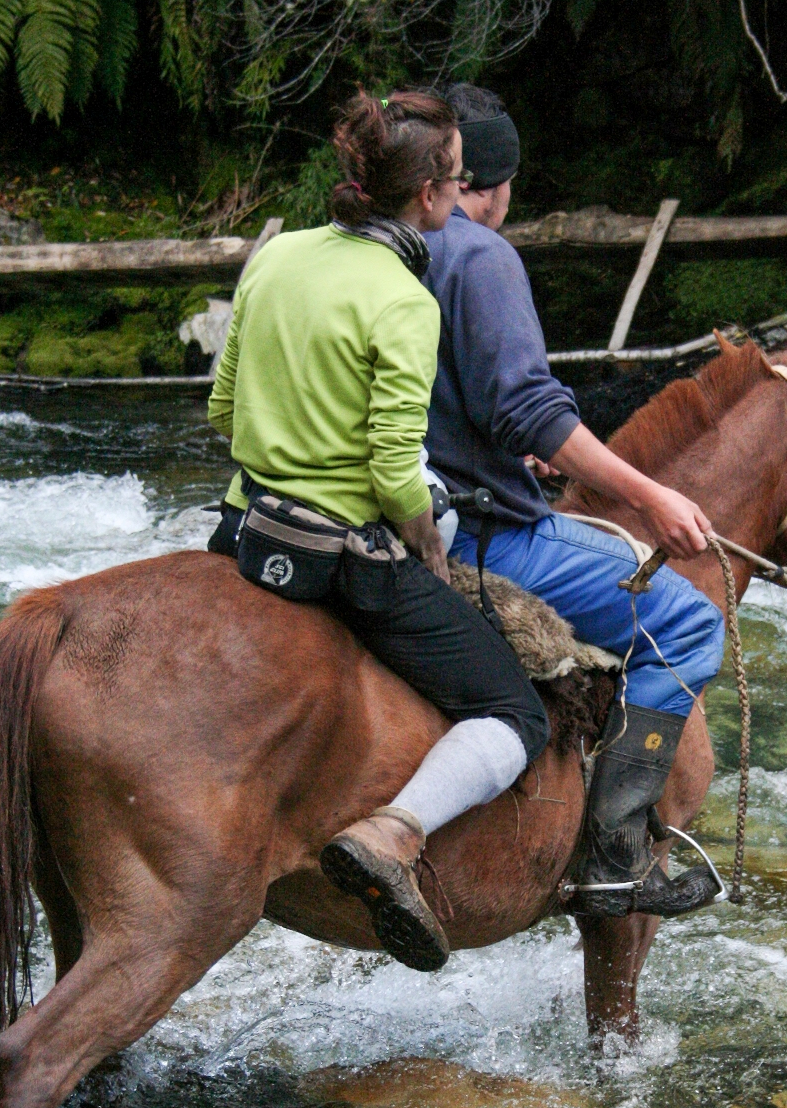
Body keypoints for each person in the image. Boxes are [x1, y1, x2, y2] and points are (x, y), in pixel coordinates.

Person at [206, 89, 549, 971]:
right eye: (458, 180)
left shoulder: (277, 256)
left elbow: (221, 408)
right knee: (515, 713)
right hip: (341, 557)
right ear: (430, 196)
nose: (461, 194)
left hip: (245, 529)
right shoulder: (403, 298)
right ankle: (395, 833)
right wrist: (426, 543)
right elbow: (395, 467)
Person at [422, 84, 725, 920]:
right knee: (688, 624)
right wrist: (651, 496)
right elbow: (530, 408)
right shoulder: (479, 256)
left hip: (369, 506)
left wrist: (492, 443)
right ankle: (617, 856)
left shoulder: (371, 245)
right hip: (476, 535)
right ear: (491, 183)